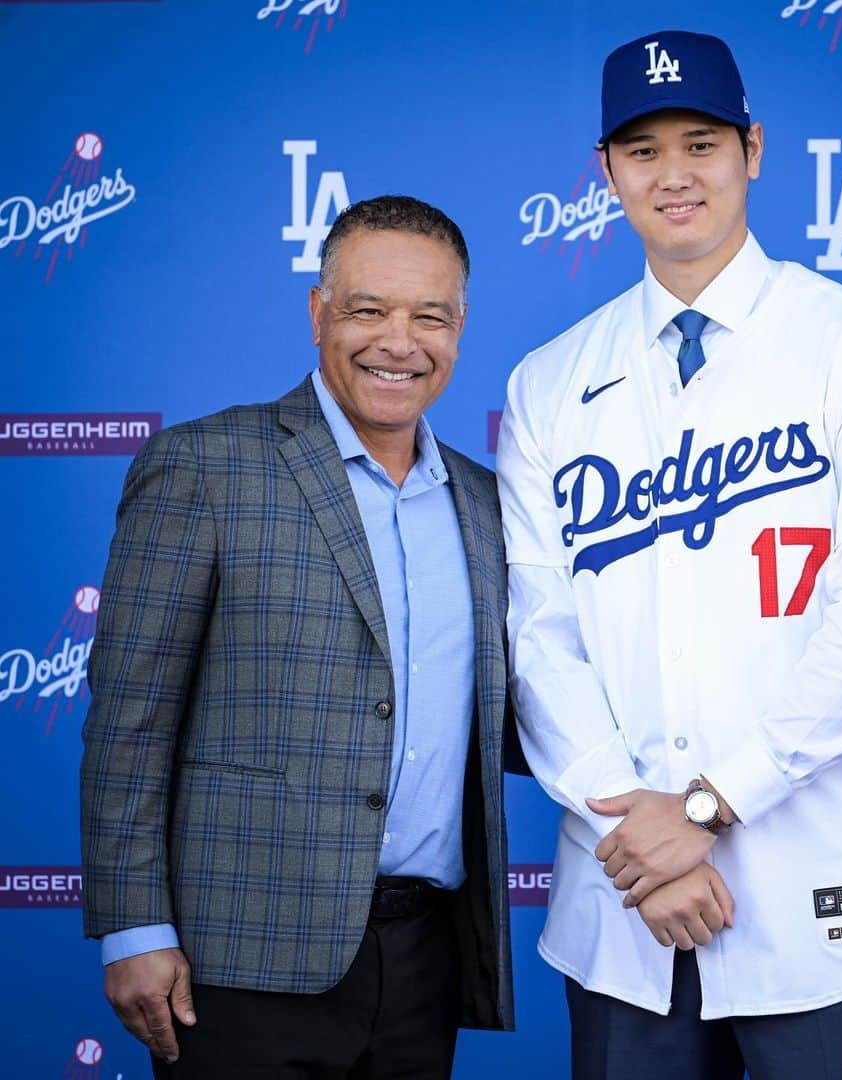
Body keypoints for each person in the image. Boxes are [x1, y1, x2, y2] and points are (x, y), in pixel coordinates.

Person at [496, 29, 842, 1080]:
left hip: (820, 905)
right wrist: (649, 842)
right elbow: (537, 637)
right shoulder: (548, 382)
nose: (674, 174)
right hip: (628, 908)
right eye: (644, 149)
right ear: (607, 173)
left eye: (701, 142)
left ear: (753, 150)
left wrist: (710, 808)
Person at [81, 195, 517, 1079]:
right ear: (319, 314)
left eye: (429, 316)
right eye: (368, 310)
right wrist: (133, 926)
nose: (400, 342)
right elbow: (131, 720)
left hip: (426, 955)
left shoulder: (488, 501)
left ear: (460, 328)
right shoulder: (206, 466)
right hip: (235, 959)